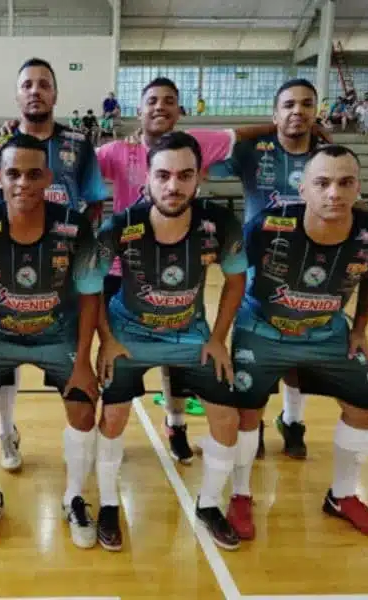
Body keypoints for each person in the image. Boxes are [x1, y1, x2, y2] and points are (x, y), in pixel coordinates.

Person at [96, 76, 296, 465]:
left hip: (178, 264)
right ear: (138, 109)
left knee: (178, 349)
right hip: (122, 269)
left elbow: (240, 133)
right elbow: (74, 163)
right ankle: (105, 434)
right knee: (115, 356)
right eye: (152, 100)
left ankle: (175, 424)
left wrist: (284, 124)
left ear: (180, 109)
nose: (160, 106)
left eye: (169, 100)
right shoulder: (118, 150)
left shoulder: (199, 143)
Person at [223, 144, 368, 542]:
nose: (334, 192)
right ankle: (240, 494)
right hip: (262, 328)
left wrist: (360, 330)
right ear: (302, 189)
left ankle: (342, 495)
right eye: (322, 183)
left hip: (326, 331)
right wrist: (221, 337)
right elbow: (233, 277)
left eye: (345, 182)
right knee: (246, 413)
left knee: (366, 409)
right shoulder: (267, 226)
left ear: (358, 187)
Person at [94, 131, 247, 551]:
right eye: (163, 175)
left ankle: (209, 504)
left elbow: (236, 280)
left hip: (190, 333)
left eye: (184, 175)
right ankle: (108, 503)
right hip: (129, 332)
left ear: (200, 177)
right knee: (113, 417)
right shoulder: (119, 226)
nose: (173, 185)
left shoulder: (220, 224)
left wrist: (218, 339)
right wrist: (106, 339)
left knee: (227, 419)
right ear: (147, 178)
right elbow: (89, 287)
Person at [0, 134, 103, 547]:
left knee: (83, 409)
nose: (23, 183)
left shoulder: (74, 227)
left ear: (48, 178)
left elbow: (91, 296)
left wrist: (83, 362)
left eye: (34, 174)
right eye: (14, 173)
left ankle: (74, 498)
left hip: (58, 333)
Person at [0, 58, 109, 475]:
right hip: (10, 266)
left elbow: (94, 200)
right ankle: (6, 431)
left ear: (55, 94)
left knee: (66, 356)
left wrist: (76, 247)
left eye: (43, 84)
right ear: (17, 95)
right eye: (27, 85)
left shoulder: (78, 144)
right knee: (5, 353)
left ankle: (76, 450)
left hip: (62, 270)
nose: (35, 91)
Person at [209, 78, 327, 459]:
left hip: (311, 267)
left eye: (306, 104)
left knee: (300, 351)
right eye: (288, 105)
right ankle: (253, 420)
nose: (298, 111)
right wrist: (262, 129)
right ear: (275, 114)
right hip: (258, 266)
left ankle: (292, 421)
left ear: (316, 112)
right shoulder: (253, 151)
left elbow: (351, 200)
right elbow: (204, 156)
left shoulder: (327, 155)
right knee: (253, 350)